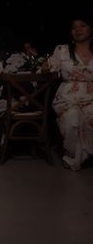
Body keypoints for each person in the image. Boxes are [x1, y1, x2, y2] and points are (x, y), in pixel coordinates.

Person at [47, 17, 93, 171]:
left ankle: (86, 155)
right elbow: (51, 68)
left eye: (82, 25)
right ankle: (73, 156)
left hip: (91, 97)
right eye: (74, 28)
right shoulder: (62, 50)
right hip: (68, 98)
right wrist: (47, 68)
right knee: (72, 119)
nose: (78, 29)